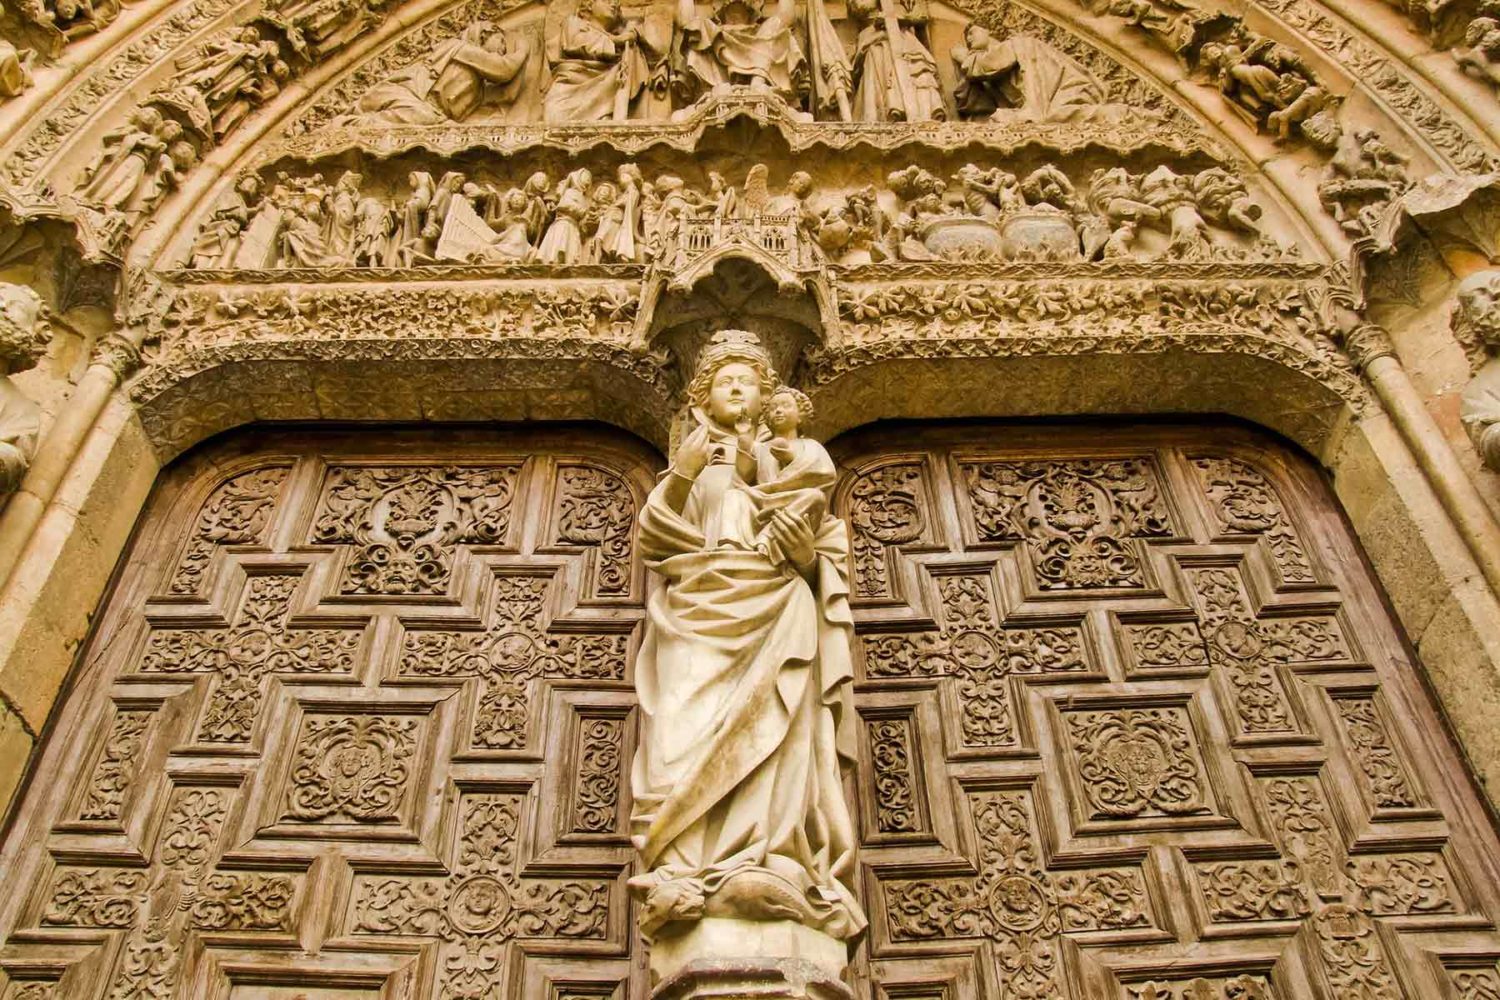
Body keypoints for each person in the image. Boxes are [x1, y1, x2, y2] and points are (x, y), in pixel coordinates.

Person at [628, 328, 866, 944]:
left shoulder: (790, 460)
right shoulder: (692, 462)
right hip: (698, 612)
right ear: (702, 397)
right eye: (725, 381)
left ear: (767, 395)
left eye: (749, 381)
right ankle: (678, 869)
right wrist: (680, 475)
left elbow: (824, 541)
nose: (738, 389)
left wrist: (809, 556)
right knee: (679, 727)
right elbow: (655, 538)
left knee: (777, 726)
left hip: (775, 602)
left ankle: (771, 857)